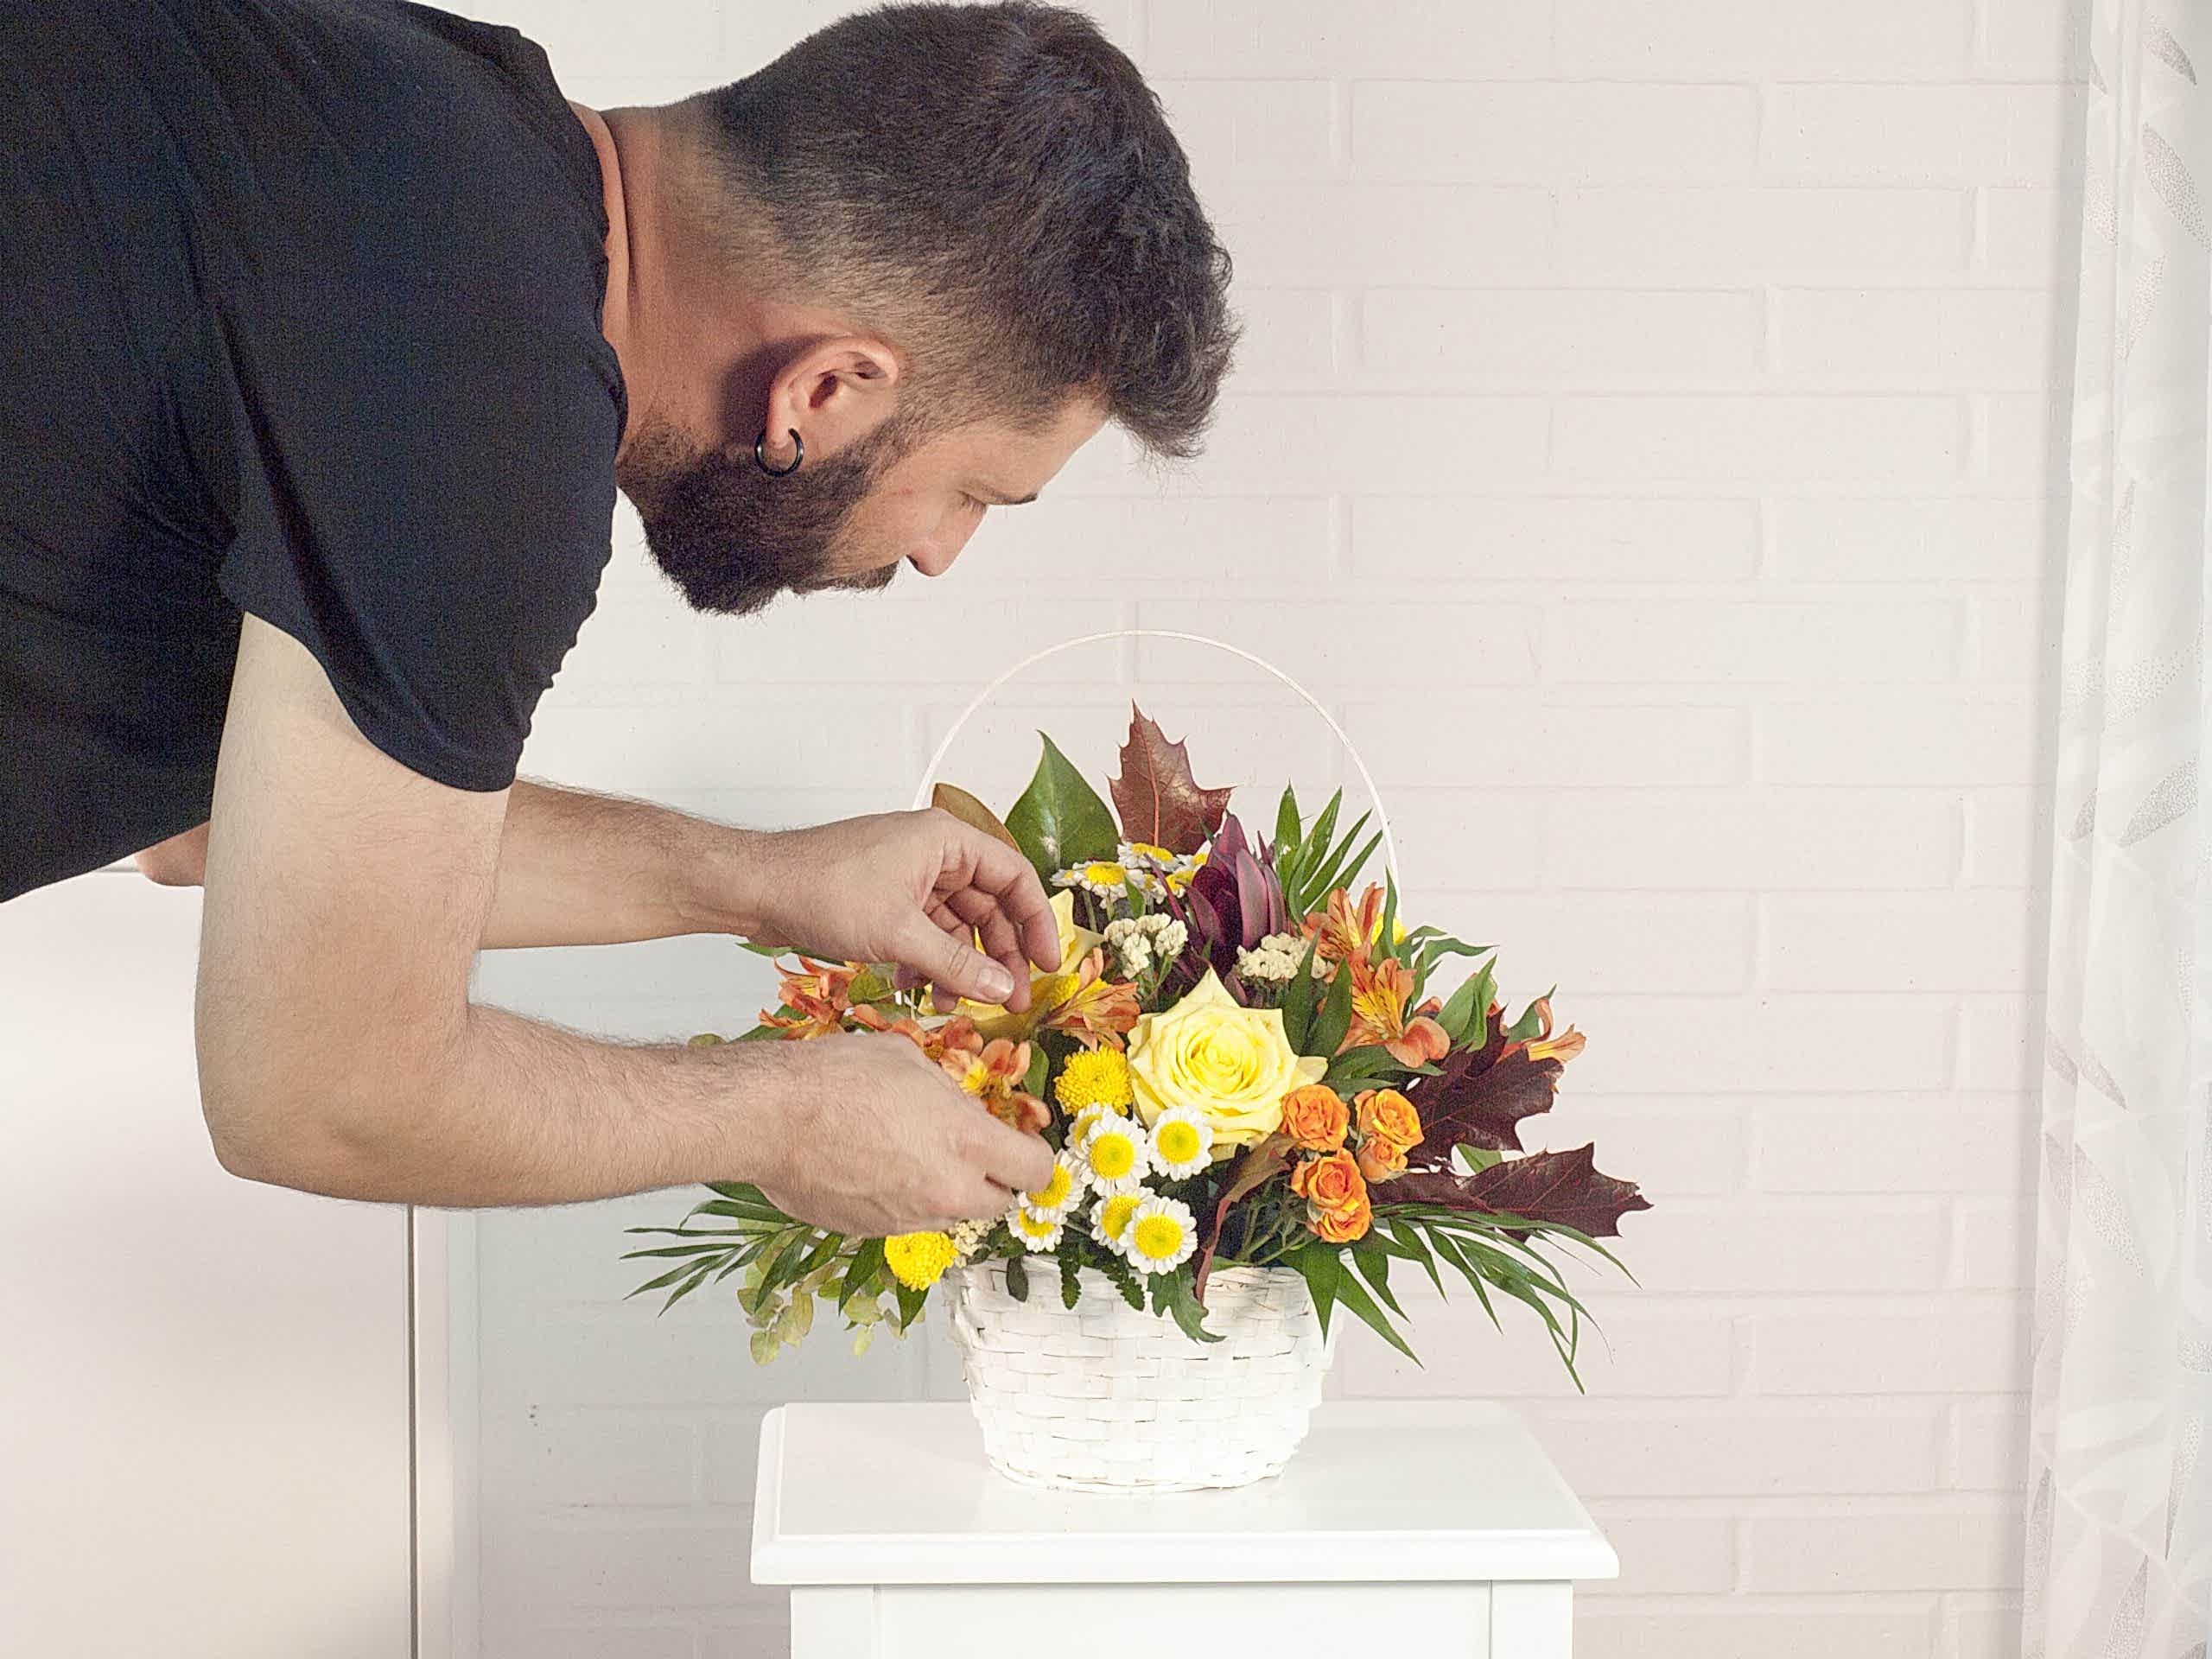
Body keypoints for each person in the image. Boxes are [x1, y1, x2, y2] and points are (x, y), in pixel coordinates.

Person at [0, 0, 1236, 1234]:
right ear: (828, 388)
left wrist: (764, 881)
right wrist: (782, 1115)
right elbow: (320, 1090)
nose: (938, 554)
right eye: (971, 492)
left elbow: (219, 823)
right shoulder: (488, 414)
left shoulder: (418, 121)